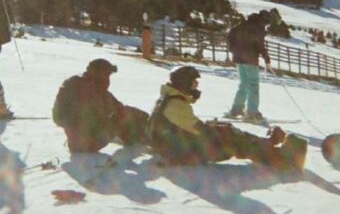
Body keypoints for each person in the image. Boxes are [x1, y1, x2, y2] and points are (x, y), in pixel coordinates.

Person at [149, 66, 306, 171]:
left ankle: (266, 144)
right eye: (193, 83)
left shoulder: (168, 100)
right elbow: (201, 131)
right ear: (184, 84)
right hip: (184, 153)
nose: (196, 87)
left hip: (178, 149)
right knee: (231, 137)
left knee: (225, 130)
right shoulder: (176, 105)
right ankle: (283, 160)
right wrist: (222, 133)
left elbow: (188, 126)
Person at [52, 59, 149, 153]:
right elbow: (117, 109)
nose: (108, 79)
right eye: (107, 75)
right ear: (101, 75)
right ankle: (138, 137)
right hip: (89, 144)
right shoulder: (93, 90)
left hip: (74, 142)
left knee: (121, 114)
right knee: (121, 117)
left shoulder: (77, 83)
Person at [224, 12, 272, 122]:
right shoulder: (257, 28)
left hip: (238, 58)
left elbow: (230, 34)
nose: (266, 26)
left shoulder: (243, 24)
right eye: (267, 23)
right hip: (250, 59)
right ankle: (252, 112)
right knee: (253, 85)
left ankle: (236, 110)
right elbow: (260, 45)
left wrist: (232, 49)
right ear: (264, 20)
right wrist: (267, 59)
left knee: (244, 84)